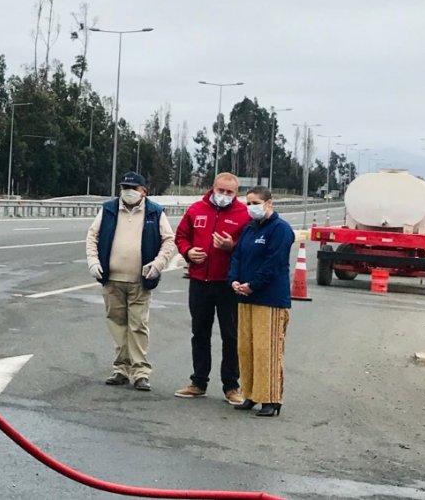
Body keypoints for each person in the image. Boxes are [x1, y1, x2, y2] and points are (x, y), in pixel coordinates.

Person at [85, 172, 177, 391]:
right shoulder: (108, 210)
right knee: (117, 325)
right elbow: (92, 237)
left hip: (140, 280)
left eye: (133, 188)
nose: (128, 191)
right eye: (124, 187)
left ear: (143, 191)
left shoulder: (154, 212)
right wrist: (93, 262)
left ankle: (140, 372)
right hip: (112, 279)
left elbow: (168, 241)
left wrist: (158, 264)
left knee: (138, 326)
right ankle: (121, 369)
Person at [173, 172, 250, 404]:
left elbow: (249, 247)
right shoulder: (196, 209)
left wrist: (231, 246)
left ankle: (231, 386)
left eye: (230, 192)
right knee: (200, 333)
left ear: (237, 194)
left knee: (230, 335)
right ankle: (198, 382)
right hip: (199, 282)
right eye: (221, 190)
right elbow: (181, 236)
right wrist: (188, 252)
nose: (224, 195)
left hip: (228, 284)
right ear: (213, 188)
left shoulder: (244, 215)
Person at [227, 186, 295, 417]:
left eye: (255, 202)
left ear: (269, 203)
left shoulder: (280, 230)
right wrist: (234, 280)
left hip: (270, 298)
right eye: (248, 203)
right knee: (246, 348)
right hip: (245, 297)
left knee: (267, 350)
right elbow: (237, 255)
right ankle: (251, 394)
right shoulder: (249, 228)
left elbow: (274, 263)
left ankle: (271, 398)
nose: (251, 207)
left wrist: (253, 284)